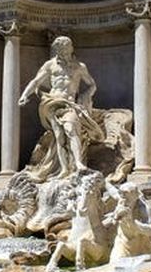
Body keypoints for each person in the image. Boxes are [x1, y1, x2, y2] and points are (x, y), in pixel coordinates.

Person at [19, 36, 104, 180]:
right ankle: (64, 168)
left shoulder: (80, 67)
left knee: (71, 129)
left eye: (65, 49)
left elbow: (92, 84)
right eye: (59, 50)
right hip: (52, 102)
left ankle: (78, 163)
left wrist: (85, 97)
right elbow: (36, 81)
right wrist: (24, 95)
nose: (62, 52)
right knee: (59, 137)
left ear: (71, 48)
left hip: (70, 103)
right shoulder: (50, 65)